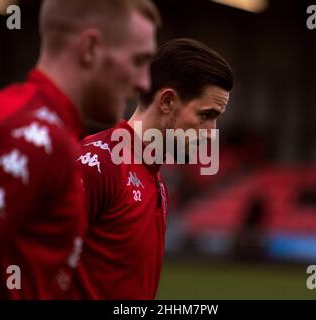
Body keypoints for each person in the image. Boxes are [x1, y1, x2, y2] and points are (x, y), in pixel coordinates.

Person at [0, 0, 160, 299]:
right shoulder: (37, 139)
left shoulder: (19, 112)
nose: (143, 82)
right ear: (90, 48)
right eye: (138, 61)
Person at [72, 38, 234, 299]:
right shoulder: (98, 165)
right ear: (167, 101)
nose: (211, 134)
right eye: (206, 115)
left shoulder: (155, 180)